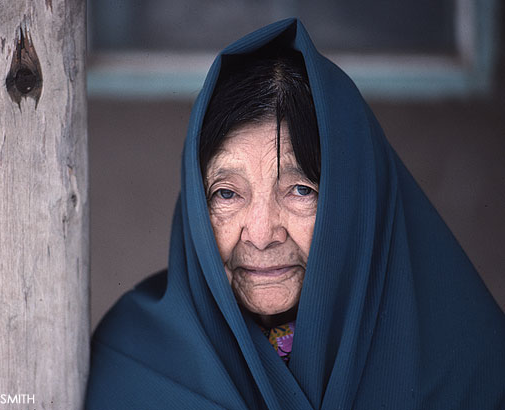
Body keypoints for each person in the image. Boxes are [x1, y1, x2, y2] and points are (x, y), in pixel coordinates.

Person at [85, 18, 505, 409]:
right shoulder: (137, 366)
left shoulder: (466, 363)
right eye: (227, 194)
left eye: (301, 190)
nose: (262, 233)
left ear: (353, 202)